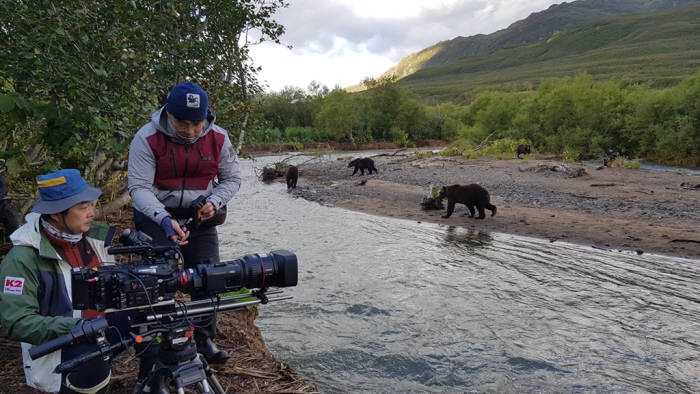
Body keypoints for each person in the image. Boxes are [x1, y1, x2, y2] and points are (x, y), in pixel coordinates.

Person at [127, 81, 241, 364]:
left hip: (199, 216)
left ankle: (203, 340)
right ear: (169, 114)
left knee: (209, 277)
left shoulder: (218, 138)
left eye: (197, 123)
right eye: (183, 124)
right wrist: (163, 219)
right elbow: (139, 188)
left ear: (207, 116)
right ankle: (157, 346)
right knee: (155, 282)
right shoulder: (147, 138)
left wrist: (214, 202)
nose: (191, 132)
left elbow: (232, 179)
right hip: (156, 216)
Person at [0, 169, 118, 393]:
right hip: (61, 352)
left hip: (104, 337)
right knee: (92, 377)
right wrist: (78, 327)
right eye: (83, 208)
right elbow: (18, 322)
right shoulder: (22, 259)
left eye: (92, 205)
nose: (91, 213)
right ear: (55, 214)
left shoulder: (95, 239)